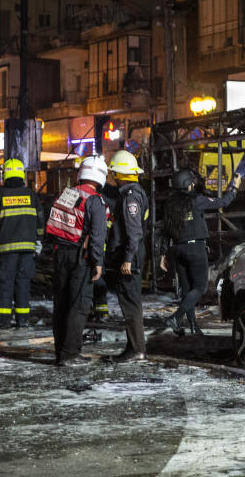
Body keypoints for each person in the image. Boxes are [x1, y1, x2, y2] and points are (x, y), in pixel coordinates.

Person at [44, 155, 109, 366]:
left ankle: (60, 352)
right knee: (78, 305)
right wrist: (97, 263)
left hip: (59, 253)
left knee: (61, 304)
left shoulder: (66, 194)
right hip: (80, 257)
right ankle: (71, 353)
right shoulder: (95, 201)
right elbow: (98, 236)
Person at [160, 168, 240, 336]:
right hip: (195, 248)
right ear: (188, 185)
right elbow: (222, 202)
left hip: (177, 249)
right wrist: (234, 188)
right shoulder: (196, 200)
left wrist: (163, 254)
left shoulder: (168, 204)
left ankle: (193, 326)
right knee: (201, 288)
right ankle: (176, 317)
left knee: (188, 290)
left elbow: (165, 231)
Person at [0, 158, 46, 329]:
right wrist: (39, 241)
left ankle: (1, 320)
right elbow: (41, 220)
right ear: (22, 175)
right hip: (28, 249)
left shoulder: (0, 195)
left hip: (6, 250)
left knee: (5, 283)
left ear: (5, 175)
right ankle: (23, 319)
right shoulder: (31, 195)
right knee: (23, 283)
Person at [106, 150, 149, 362]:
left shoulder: (130, 196)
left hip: (129, 254)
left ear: (120, 174)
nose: (112, 176)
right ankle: (133, 347)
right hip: (132, 252)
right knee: (130, 302)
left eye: (114, 172)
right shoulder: (134, 192)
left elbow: (134, 231)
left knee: (130, 303)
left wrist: (128, 259)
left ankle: (136, 349)